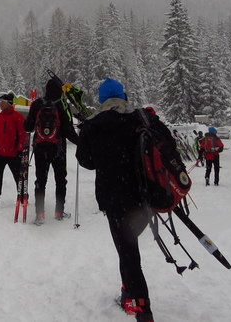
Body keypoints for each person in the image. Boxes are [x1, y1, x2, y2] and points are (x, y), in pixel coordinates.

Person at [75, 78, 163, 322]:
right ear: (123, 96)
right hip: (145, 195)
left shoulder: (94, 125)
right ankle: (128, 292)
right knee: (129, 247)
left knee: (128, 252)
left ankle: (142, 309)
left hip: (114, 198)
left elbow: (86, 161)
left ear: (102, 99)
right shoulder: (141, 118)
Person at [24, 77, 79, 224]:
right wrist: (80, 142)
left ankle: (40, 214)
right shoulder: (62, 104)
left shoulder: (37, 103)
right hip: (58, 149)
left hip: (40, 148)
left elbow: (27, 126)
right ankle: (59, 212)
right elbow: (68, 130)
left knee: (40, 181)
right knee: (60, 180)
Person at [0, 93, 26, 208]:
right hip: (0, 153)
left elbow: (22, 135)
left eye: (2, 102)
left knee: (18, 177)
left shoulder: (17, 117)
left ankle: (23, 198)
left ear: (9, 103)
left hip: (13, 153)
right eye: (0, 101)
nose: (0, 104)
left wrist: (20, 149)